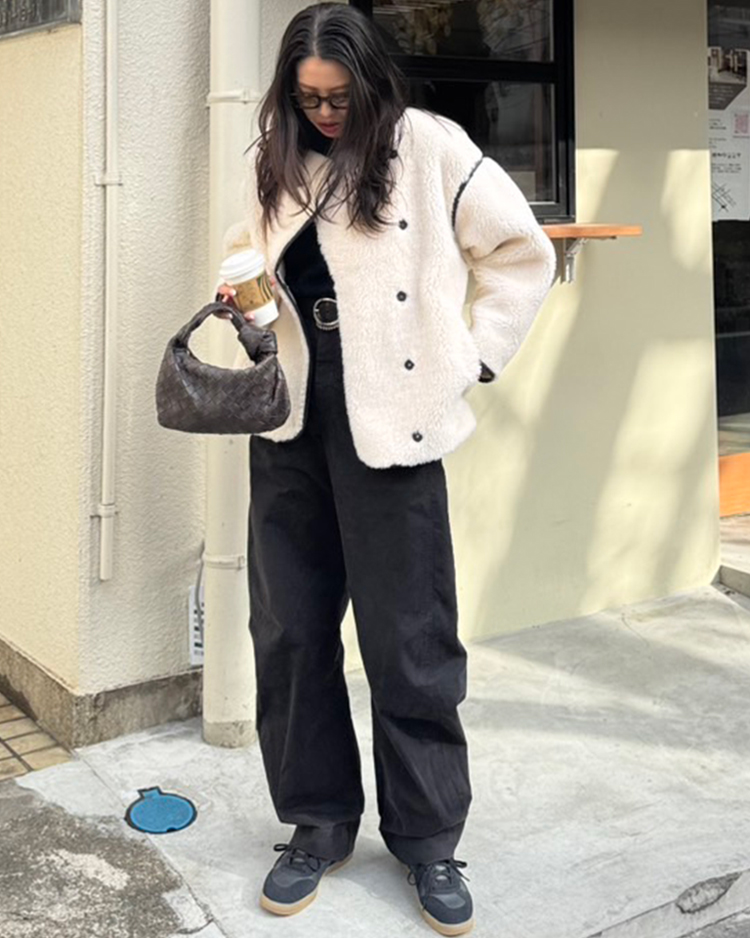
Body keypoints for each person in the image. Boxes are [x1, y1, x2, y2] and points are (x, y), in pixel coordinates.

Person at [215, 4, 556, 934]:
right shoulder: (275, 157)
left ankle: (429, 839)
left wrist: (473, 358)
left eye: (339, 97)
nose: (325, 114)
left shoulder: (430, 147)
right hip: (291, 413)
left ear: (371, 83)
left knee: (410, 640)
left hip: (396, 415)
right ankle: (317, 823)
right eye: (308, 98)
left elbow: (522, 255)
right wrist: (245, 303)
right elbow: (249, 255)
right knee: (289, 632)